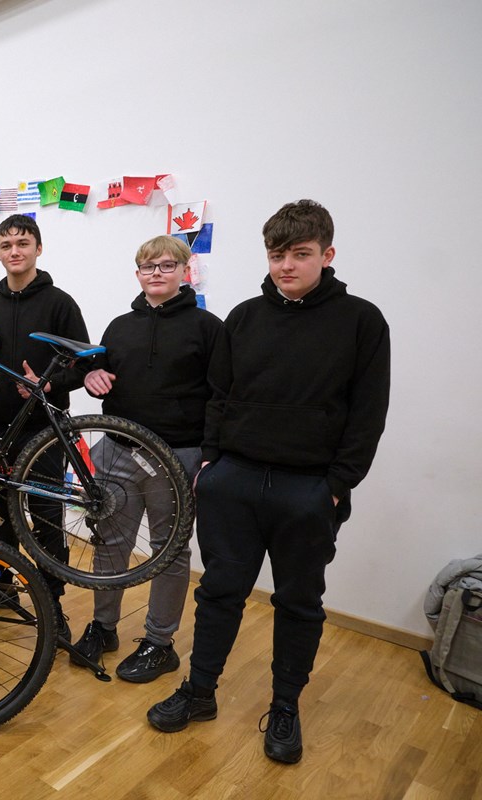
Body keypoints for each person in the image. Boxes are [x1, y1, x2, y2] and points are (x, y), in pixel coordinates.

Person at [147, 200, 390, 764]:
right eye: (278, 255)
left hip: (308, 491)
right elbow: (220, 395)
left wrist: (336, 484)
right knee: (219, 593)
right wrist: (211, 463)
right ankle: (200, 691)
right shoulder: (244, 318)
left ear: (326, 256)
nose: (287, 266)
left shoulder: (361, 321)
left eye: (301, 255)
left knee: (299, 603)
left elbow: (367, 412)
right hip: (234, 481)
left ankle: (284, 706)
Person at [71, 235, 222, 682]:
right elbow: (91, 368)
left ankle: (159, 643)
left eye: (166, 265)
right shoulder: (120, 326)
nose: (157, 273)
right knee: (110, 544)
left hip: (177, 459)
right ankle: (103, 627)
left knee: (169, 551)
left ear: (184, 271)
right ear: (137, 274)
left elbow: (221, 397)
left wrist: (210, 459)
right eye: (148, 267)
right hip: (117, 450)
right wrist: (89, 373)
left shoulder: (207, 328)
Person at [0, 213, 89, 643]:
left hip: (45, 434)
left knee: (46, 521)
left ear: (39, 248)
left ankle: (52, 605)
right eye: (6, 245)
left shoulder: (60, 303)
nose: (14, 251)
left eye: (23, 243)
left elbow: (84, 364)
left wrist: (48, 383)